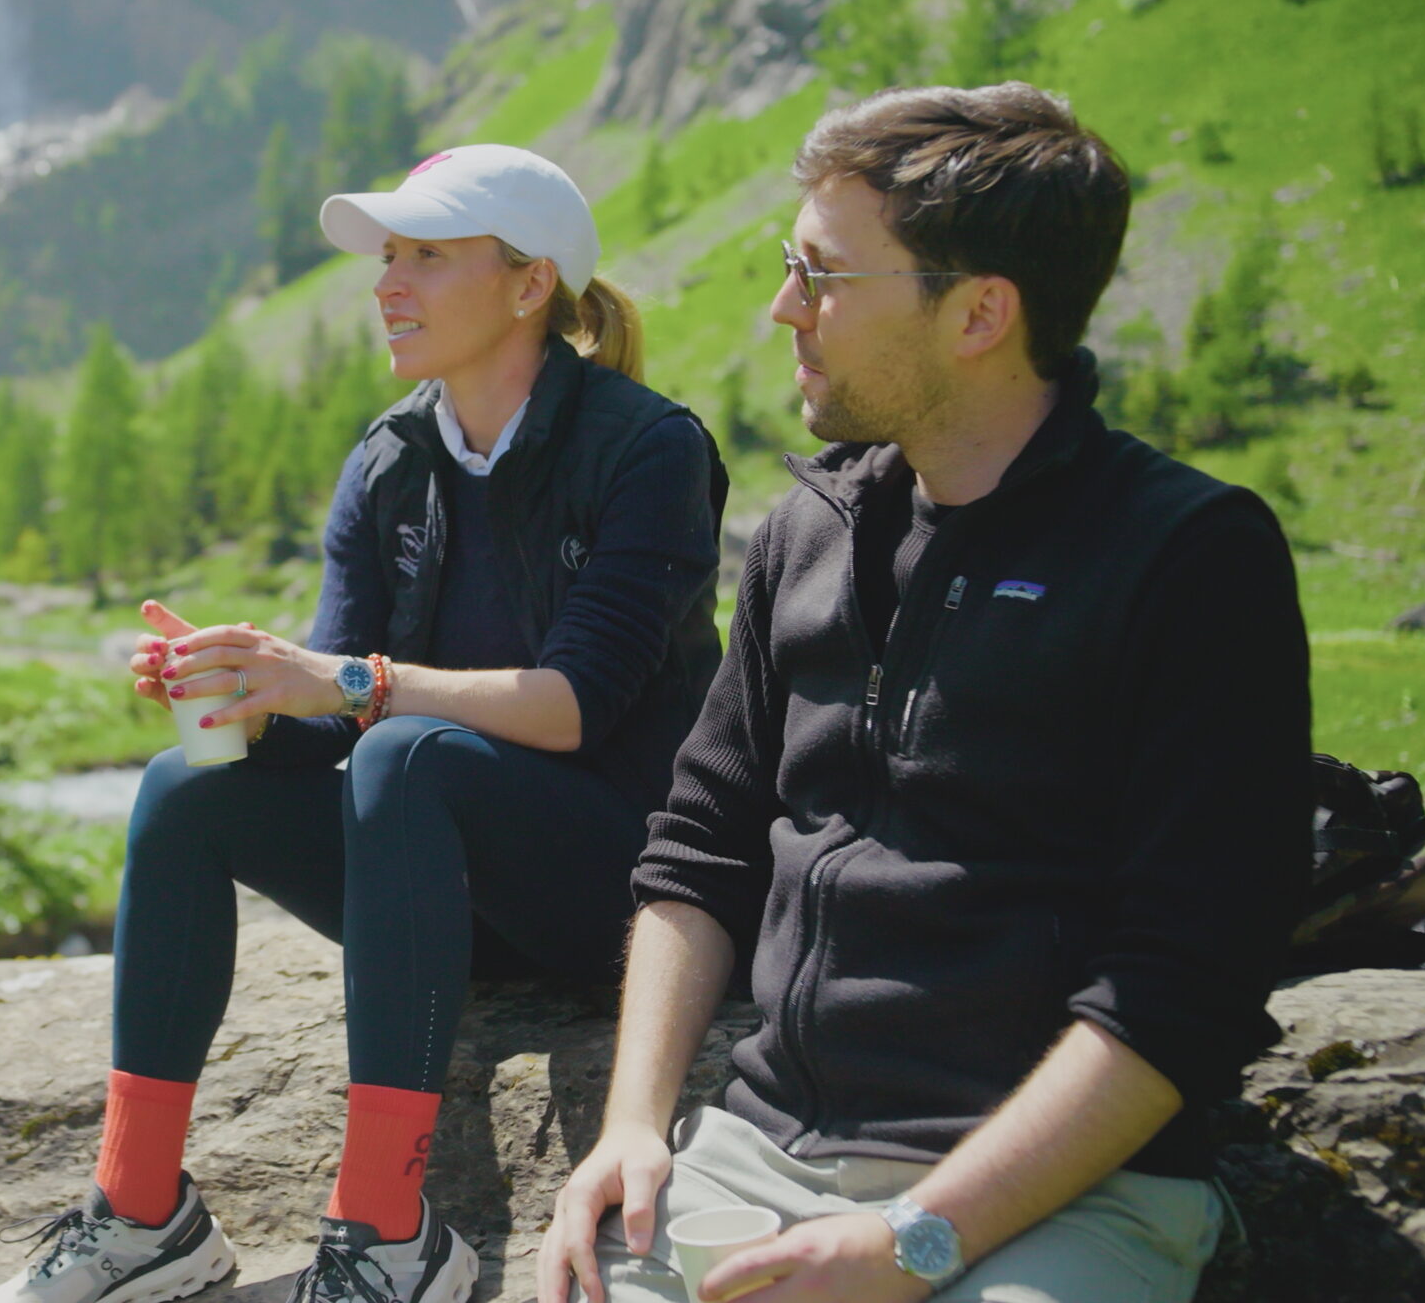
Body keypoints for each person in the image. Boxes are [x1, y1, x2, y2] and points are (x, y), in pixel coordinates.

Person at [534, 83, 1310, 1303]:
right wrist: (633, 1129)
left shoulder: (1189, 556)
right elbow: (698, 854)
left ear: (980, 314)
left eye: (824, 277)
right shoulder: (807, 532)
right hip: (759, 1154)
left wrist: (917, 1240)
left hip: (1062, 1196)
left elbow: (1182, 983)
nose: (783, 307)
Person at [0, 144, 728, 1303]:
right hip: (438, 903)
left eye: (427, 256)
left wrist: (344, 681)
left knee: (408, 749)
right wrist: (243, 692)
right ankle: (141, 1217)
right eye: (388, 257)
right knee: (186, 788)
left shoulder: (647, 448)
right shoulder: (389, 459)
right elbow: (335, 729)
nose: (388, 283)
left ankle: (386, 1235)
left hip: (615, 899)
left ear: (530, 284)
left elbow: (573, 707)